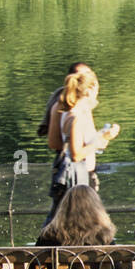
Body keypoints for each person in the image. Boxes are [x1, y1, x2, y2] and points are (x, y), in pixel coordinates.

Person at [46, 69, 120, 225]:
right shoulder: (76, 116)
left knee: (69, 223)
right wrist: (101, 140)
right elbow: (76, 154)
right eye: (97, 91)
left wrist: (100, 137)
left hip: (75, 176)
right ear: (90, 91)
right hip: (76, 179)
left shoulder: (70, 112)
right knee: (89, 225)